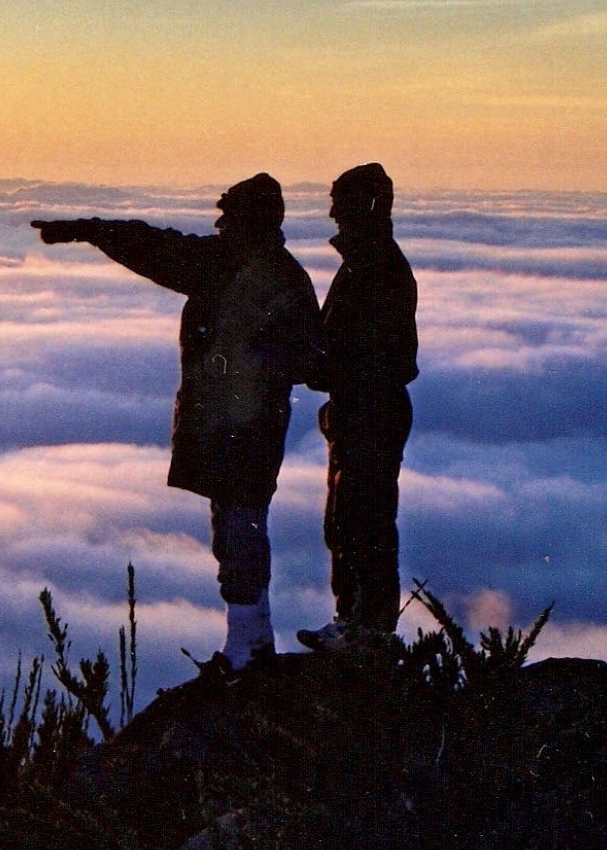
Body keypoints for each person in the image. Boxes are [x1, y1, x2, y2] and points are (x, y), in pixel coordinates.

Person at [33, 174, 323, 668]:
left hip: (242, 429)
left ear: (248, 221)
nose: (219, 222)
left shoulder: (231, 270)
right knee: (238, 524)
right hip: (248, 425)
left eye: (228, 215)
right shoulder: (269, 274)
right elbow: (156, 245)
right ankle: (249, 639)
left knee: (238, 526)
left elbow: (156, 248)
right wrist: (89, 229)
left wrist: (88, 229)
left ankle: (247, 646)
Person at [298, 163, 418, 650]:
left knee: (362, 520)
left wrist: (323, 368)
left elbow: (375, 353)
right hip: (362, 409)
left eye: (340, 201)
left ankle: (366, 629)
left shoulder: (376, 268)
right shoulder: (366, 263)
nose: (332, 212)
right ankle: (357, 622)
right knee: (351, 519)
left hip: (369, 410)